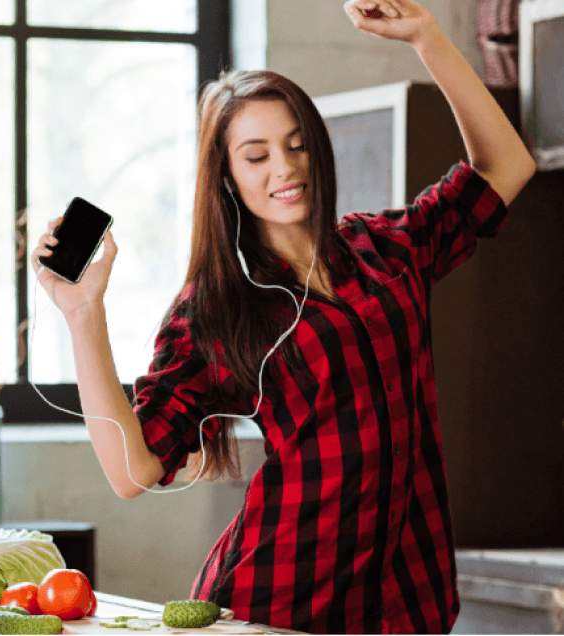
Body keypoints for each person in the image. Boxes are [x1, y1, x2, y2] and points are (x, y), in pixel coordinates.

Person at [30, 0, 535, 633]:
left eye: (296, 144)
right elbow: (135, 471)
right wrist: (84, 316)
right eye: (257, 155)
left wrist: (429, 38)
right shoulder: (219, 305)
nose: (285, 168)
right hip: (280, 603)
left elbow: (506, 168)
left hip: (408, 598)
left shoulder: (386, 248)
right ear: (227, 177)